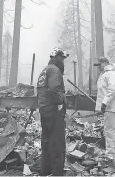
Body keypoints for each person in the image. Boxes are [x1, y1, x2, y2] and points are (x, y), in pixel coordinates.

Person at [36, 48, 69, 176]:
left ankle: (45, 171)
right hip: (54, 111)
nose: (63, 62)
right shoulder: (54, 70)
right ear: (56, 57)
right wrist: (61, 102)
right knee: (57, 143)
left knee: (46, 142)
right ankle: (57, 172)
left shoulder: (44, 71)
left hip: (44, 111)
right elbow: (54, 89)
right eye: (62, 58)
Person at [94, 57, 115, 164]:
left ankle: (111, 156)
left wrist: (104, 103)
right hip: (111, 107)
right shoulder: (107, 74)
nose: (99, 67)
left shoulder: (111, 73)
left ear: (106, 63)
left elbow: (112, 89)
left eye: (100, 64)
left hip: (111, 107)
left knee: (110, 131)